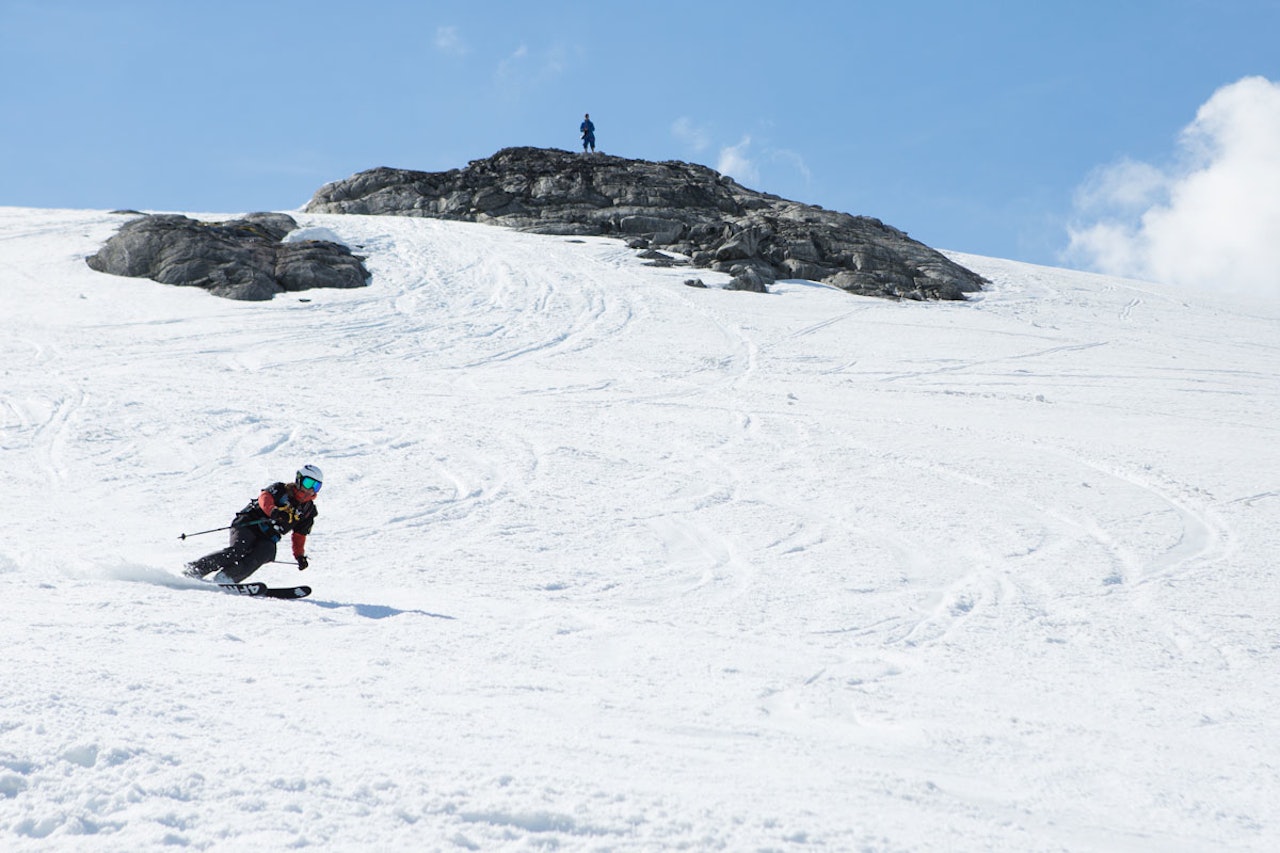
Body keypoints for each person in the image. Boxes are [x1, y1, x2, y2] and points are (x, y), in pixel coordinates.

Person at [184, 465, 322, 583]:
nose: (311, 489)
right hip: (249, 523)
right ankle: (196, 569)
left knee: (267, 551)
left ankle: (227, 577)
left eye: (316, 486)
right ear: (299, 479)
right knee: (238, 550)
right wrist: (273, 511)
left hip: (268, 536)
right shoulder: (281, 489)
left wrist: (299, 556)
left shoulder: (308, 511)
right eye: (308, 483)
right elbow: (264, 498)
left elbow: (299, 536)